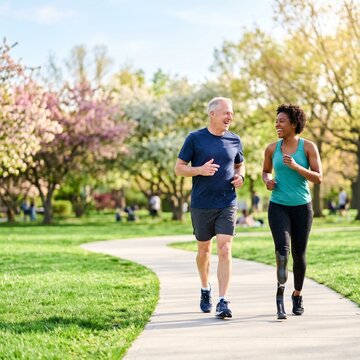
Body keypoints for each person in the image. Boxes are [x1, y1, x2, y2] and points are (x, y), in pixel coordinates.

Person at [175, 97, 245, 318]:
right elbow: (179, 168)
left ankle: (223, 301)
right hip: (202, 204)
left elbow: (239, 162)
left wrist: (240, 175)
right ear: (212, 114)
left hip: (227, 202)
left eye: (232, 113)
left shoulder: (235, 140)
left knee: (224, 248)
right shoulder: (195, 139)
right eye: (226, 113)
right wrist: (199, 170)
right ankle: (206, 288)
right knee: (204, 250)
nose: (230, 117)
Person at [262, 104, 322, 320]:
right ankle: (280, 297)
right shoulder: (271, 149)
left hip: (302, 208)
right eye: (276, 121)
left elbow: (318, 177)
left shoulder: (308, 147)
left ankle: (297, 294)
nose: (277, 124)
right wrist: (267, 181)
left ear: (294, 124)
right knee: (282, 251)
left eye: (281, 121)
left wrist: (297, 167)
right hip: (278, 206)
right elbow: (265, 171)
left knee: (299, 254)